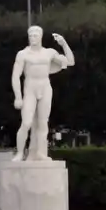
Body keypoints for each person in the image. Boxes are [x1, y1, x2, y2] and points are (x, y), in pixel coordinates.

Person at [11, 26, 74, 161]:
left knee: (43, 123)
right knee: (26, 123)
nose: (33, 37)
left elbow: (70, 61)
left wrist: (63, 44)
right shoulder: (23, 54)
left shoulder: (49, 53)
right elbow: (15, 76)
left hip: (45, 87)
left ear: (40, 37)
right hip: (30, 88)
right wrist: (18, 97)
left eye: (35, 35)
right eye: (31, 35)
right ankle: (20, 152)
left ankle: (41, 152)